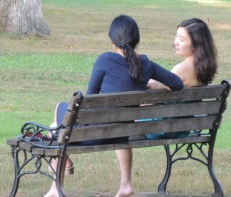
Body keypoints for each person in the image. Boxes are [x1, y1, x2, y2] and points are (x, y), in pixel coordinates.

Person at [44, 14, 183, 197]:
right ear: (136, 39)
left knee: (58, 119)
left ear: (112, 39)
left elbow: (89, 99)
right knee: (59, 127)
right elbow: (178, 84)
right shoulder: (147, 65)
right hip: (122, 134)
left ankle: (57, 186)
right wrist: (154, 85)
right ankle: (125, 184)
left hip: (94, 135)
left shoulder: (106, 60)